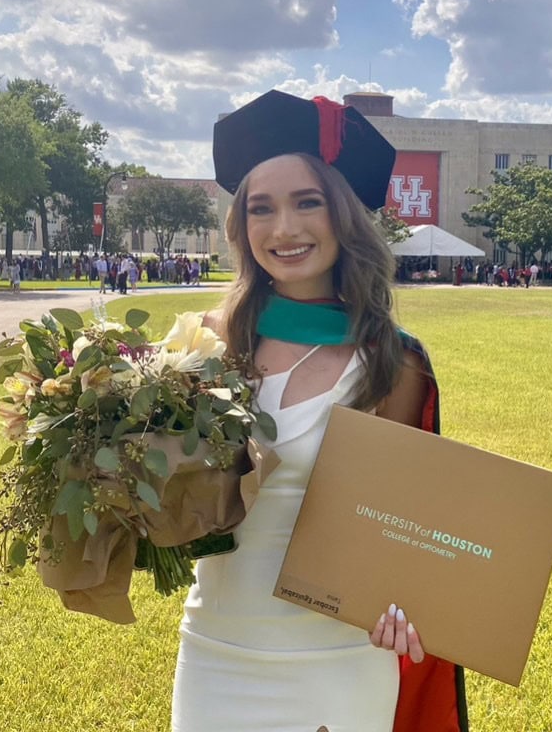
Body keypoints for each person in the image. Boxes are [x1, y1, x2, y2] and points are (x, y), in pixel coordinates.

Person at [171, 90, 467, 732]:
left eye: (309, 202)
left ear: (346, 215)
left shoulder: (392, 364)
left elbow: (404, 530)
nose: (284, 229)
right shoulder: (205, 344)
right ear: (241, 226)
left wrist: (410, 601)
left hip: (334, 659)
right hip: (214, 651)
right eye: (262, 208)